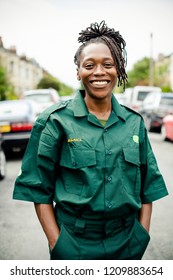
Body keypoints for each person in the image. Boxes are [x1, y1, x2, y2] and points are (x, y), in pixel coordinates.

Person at [13, 21, 168, 260]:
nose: (99, 72)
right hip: (74, 243)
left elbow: (148, 189)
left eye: (108, 64)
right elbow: (38, 189)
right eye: (89, 65)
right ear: (78, 71)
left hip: (127, 242)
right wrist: (58, 243)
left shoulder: (134, 123)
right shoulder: (54, 122)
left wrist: (141, 236)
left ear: (119, 69)